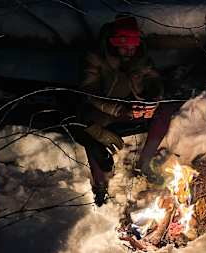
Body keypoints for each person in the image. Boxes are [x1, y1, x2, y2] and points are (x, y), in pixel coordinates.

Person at [75, 16, 182, 206]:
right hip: (105, 109)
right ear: (113, 43)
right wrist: (116, 109)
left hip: (132, 107)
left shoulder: (140, 57)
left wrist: (151, 101)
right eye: (124, 47)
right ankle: (100, 182)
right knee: (90, 132)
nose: (129, 52)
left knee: (164, 111)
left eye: (133, 48)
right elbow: (88, 91)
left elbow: (154, 81)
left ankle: (145, 163)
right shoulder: (97, 59)